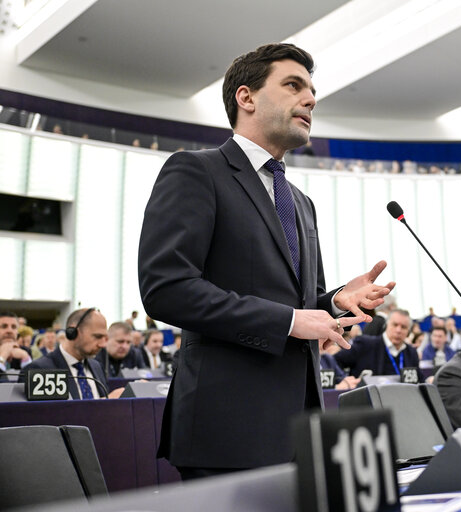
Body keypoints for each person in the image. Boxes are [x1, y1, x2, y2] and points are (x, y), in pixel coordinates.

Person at [138, 43, 394, 480]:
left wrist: (334, 302)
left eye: (312, 90)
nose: (310, 99)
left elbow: (297, 301)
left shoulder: (300, 201)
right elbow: (167, 289)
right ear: (246, 97)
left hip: (304, 429)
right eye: (293, 85)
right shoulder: (195, 171)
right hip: (228, 431)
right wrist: (291, 321)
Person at [21, 308, 109, 399]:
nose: (103, 344)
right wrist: (100, 404)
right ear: (73, 332)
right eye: (97, 336)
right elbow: (42, 412)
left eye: (105, 337)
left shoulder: (97, 367)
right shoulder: (40, 370)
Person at [334, 309, 421, 380]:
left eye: (403, 327)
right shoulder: (365, 345)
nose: (398, 330)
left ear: (408, 332)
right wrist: (344, 380)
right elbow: (334, 362)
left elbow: (419, 379)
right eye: (395, 325)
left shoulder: (411, 352)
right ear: (386, 325)